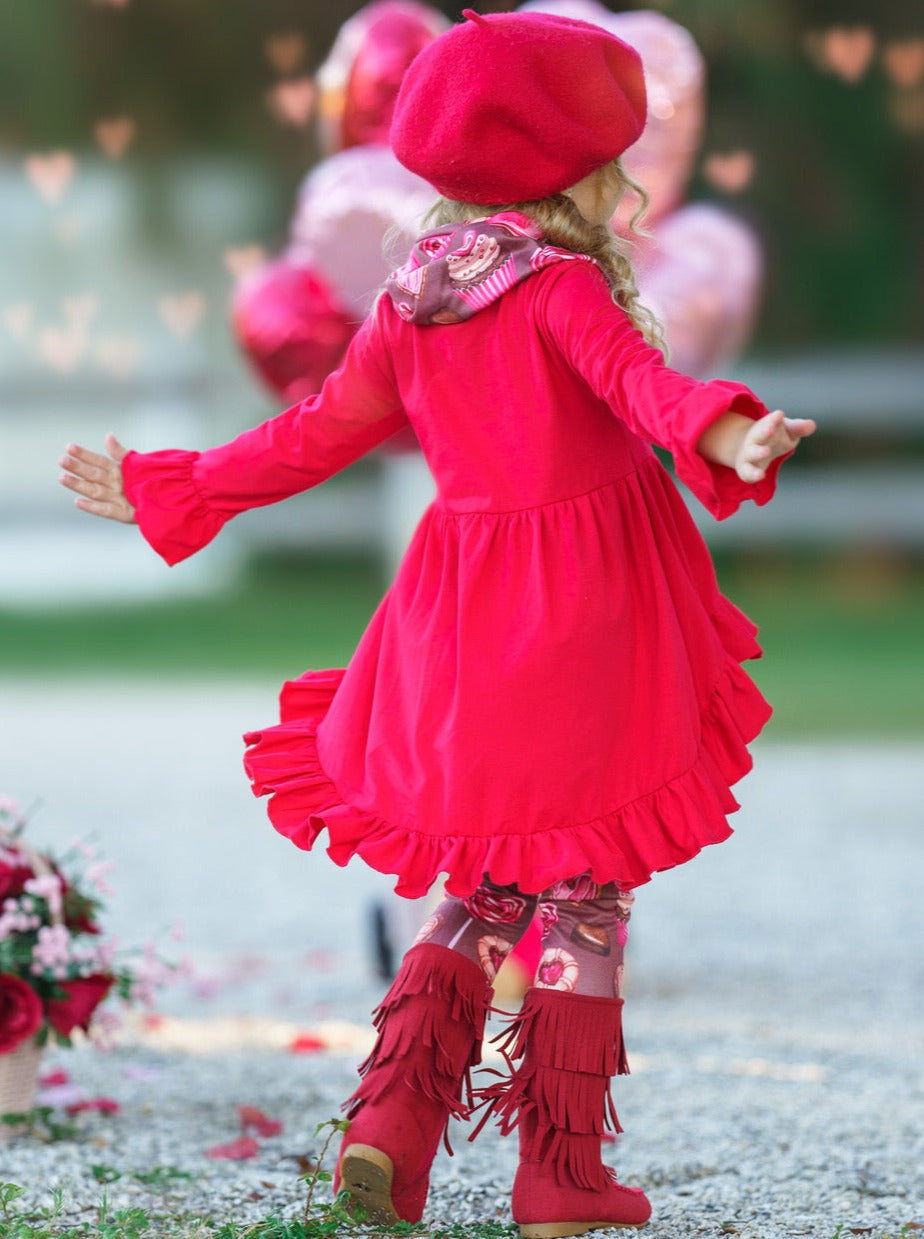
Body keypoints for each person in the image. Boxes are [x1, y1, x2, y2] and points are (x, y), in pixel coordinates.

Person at [58, 10, 816, 1237]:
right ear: (563, 171)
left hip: (461, 622)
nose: (626, 182)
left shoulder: (413, 298)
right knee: (585, 890)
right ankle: (561, 1176)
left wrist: (174, 481)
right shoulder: (562, 287)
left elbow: (307, 438)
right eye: (611, 159)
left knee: (484, 880)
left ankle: (388, 1134)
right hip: (583, 616)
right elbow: (644, 386)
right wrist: (730, 428)